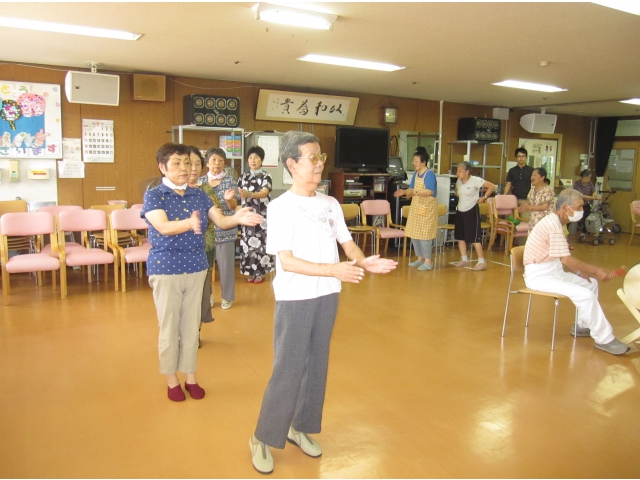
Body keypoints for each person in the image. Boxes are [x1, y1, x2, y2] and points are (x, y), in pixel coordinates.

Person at [249, 131, 397, 474]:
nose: (319, 165)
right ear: (292, 164)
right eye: (312, 158)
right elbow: (287, 261)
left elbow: (348, 244)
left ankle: (298, 427)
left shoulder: (330, 204)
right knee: (288, 368)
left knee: (317, 364)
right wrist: (333, 269)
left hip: (328, 294)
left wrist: (364, 262)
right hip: (296, 297)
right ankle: (261, 437)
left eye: (321, 158)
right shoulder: (280, 207)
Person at [141, 143, 262, 402]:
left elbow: (221, 220)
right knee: (170, 327)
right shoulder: (155, 195)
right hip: (167, 269)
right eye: (177, 163)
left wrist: (237, 218)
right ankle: (172, 381)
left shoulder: (198, 195)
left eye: (187, 163)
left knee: (190, 326)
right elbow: (162, 227)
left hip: (197, 268)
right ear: (162, 167)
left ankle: (190, 377)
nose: (184, 168)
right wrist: (188, 223)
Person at [523, 188, 629, 355]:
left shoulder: (557, 222)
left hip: (553, 272)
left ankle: (582, 325)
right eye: (579, 207)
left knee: (591, 284)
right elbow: (566, 259)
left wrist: (581, 273)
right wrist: (596, 270)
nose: (582, 210)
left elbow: (561, 256)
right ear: (565, 208)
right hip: (540, 277)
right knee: (586, 295)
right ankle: (605, 339)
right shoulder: (553, 225)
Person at [199, 148, 240, 310]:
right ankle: (207, 296)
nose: (217, 163)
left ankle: (227, 297)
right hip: (205, 230)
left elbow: (234, 206)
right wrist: (209, 211)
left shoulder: (231, 181)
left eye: (221, 160)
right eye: (214, 160)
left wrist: (228, 200)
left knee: (226, 267)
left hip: (226, 229)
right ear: (207, 163)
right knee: (205, 267)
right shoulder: (200, 182)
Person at [187, 146, 215, 335]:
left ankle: (196, 332)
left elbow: (218, 214)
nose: (194, 168)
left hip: (205, 244)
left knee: (201, 292)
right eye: (190, 164)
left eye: (198, 164)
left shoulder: (205, 190)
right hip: (181, 252)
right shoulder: (167, 192)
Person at [393, 150, 438, 270]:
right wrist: (404, 192)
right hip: (416, 208)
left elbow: (430, 191)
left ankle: (428, 262)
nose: (414, 163)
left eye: (416, 161)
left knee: (425, 236)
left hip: (427, 210)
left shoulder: (429, 174)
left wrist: (415, 192)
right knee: (414, 235)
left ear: (423, 162)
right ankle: (420, 259)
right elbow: (411, 188)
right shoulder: (416, 174)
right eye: (413, 161)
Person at [237, 145, 274, 284]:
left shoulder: (266, 176)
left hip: (261, 215)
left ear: (262, 160)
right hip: (247, 215)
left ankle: (260, 273)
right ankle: (250, 272)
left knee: (261, 244)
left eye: (256, 157)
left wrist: (250, 194)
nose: (253, 160)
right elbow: (239, 195)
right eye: (250, 158)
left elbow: (264, 193)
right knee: (247, 244)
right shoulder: (243, 177)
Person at [453, 161, 494, 271]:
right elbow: (457, 191)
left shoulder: (475, 180)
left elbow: (491, 186)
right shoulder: (458, 182)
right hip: (460, 211)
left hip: (471, 211)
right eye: (457, 171)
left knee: (474, 237)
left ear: (467, 172)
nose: (457, 173)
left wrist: (484, 197)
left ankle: (481, 261)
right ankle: (464, 259)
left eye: (460, 171)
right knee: (460, 237)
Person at [518, 167, 555, 233]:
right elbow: (530, 202)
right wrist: (523, 207)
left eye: (535, 175)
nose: (532, 177)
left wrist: (528, 207)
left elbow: (544, 207)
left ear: (542, 177)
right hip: (533, 222)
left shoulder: (547, 190)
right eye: (532, 175)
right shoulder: (532, 189)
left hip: (545, 223)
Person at [504, 148, 534, 212]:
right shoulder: (512, 170)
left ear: (526, 157)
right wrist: (504, 195)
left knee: (524, 217)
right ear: (516, 158)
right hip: (514, 198)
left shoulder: (531, 170)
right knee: (512, 217)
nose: (521, 158)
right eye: (519, 156)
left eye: (523, 156)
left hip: (526, 199)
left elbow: (535, 184)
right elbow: (508, 184)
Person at [573, 169, 600, 234]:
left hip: (585, 203)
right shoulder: (577, 184)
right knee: (573, 216)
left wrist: (595, 194)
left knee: (588, 215)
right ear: (581, 178)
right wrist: (593, 198)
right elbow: (581, 196)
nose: (587, 180)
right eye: (586, 178)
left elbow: (593, 190)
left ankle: (585, 231)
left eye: (589, 178)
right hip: (577, 203)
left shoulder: (590, 183)